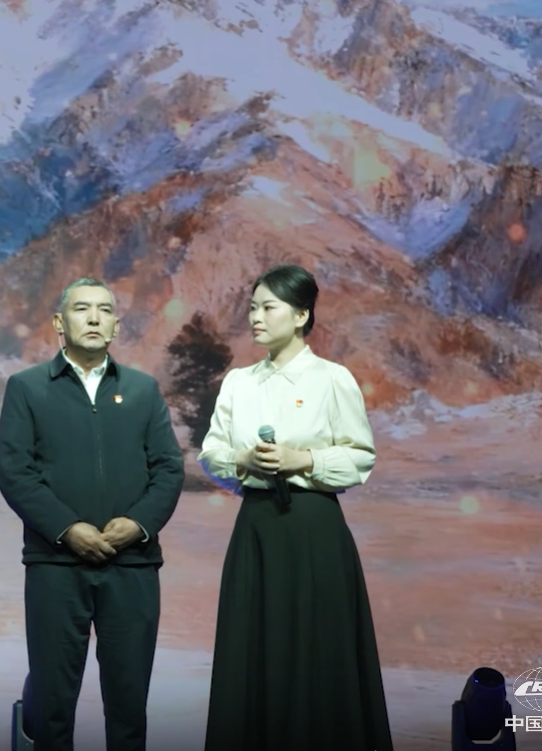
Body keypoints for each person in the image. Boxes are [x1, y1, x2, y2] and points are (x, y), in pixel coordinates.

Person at [200, 264, 393, 751]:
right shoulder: (239, 383)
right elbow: (211, 454)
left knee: (317, 649)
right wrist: (244, 460)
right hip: (257, 529)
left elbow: (360, 457)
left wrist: (302, 460)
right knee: (254, 648)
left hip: (313, 529)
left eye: (268, 308)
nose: (256, 317)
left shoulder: (332, 379)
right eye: (252, 308)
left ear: (301, 314)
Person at [0, 277, 186, 751]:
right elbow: (15, 473)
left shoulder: (143, 390)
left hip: (133, 566)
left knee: (128, 705)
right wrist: (68, 529)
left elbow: (168, 469)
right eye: (82, 309)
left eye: (104, 310)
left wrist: (137, 525)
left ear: (116, 325)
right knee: (53, 705)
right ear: (59, 323)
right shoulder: (27, 388)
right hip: (56, 565)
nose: (94, 318)